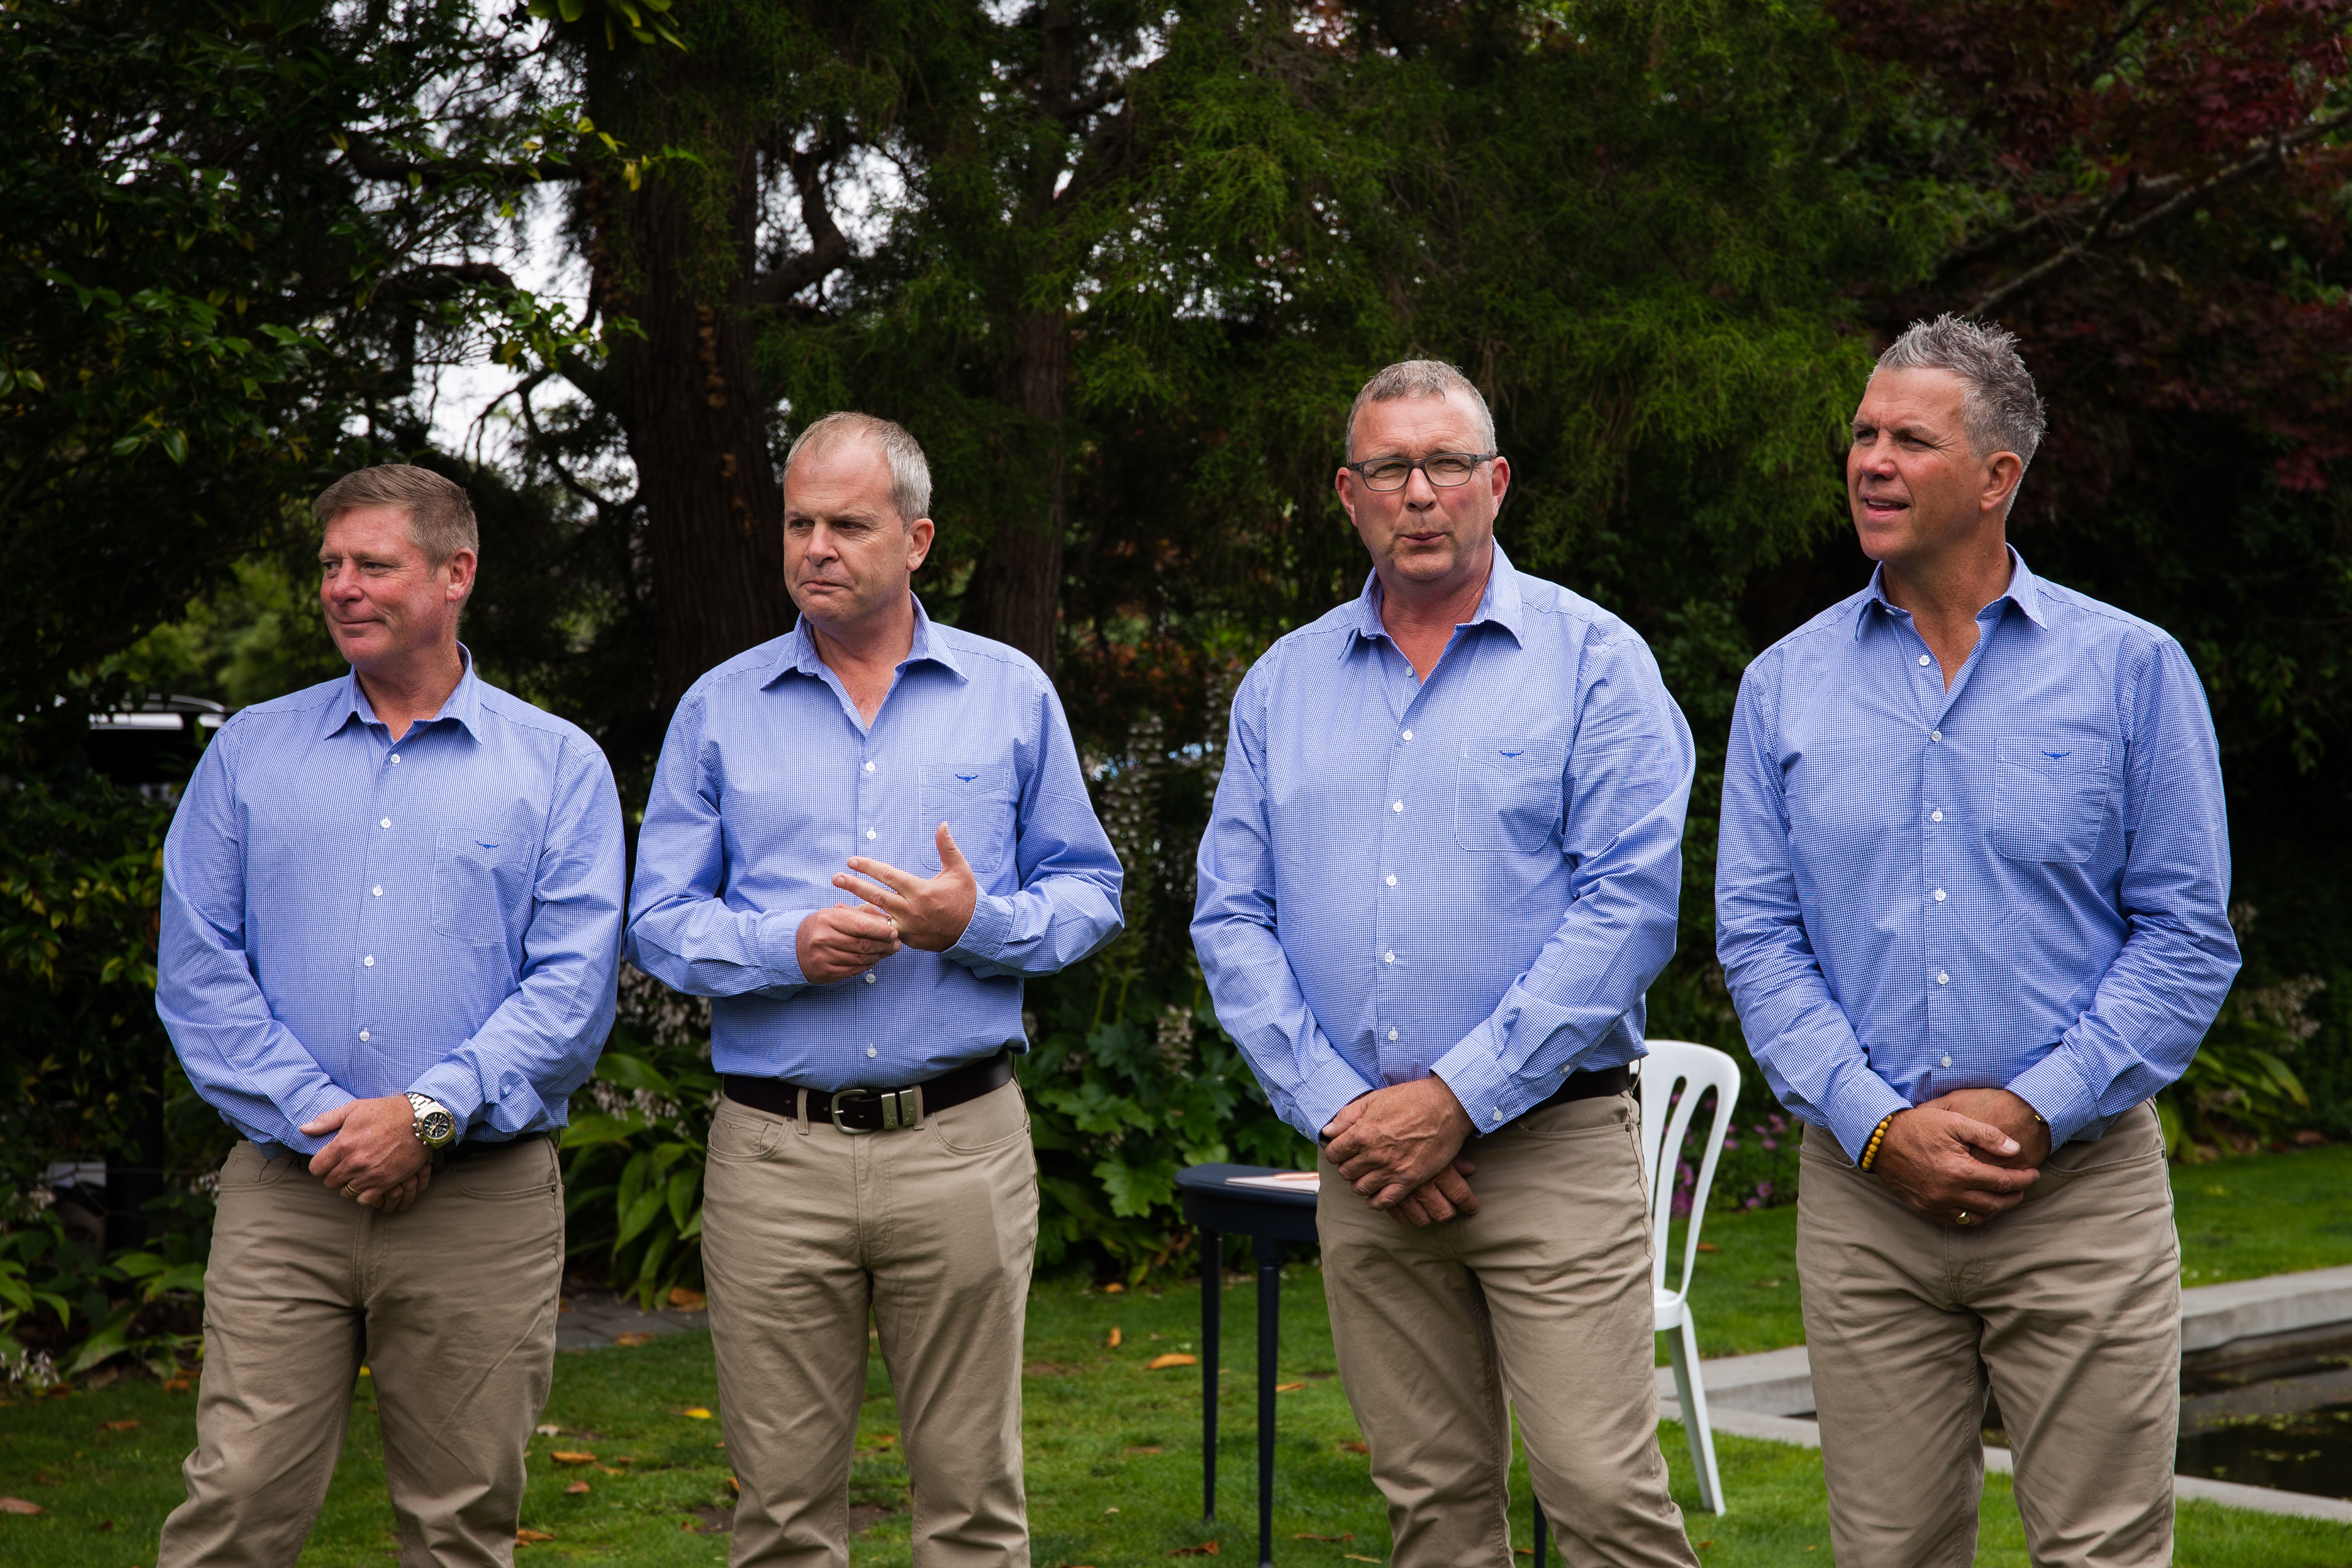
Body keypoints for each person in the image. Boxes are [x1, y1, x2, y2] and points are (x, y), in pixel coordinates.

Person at [1716, 314, 2239, 1567]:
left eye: (1911, 439)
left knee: (2103, 1552)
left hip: (2079, 1195)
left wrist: (2036, 1108)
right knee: (1887, 1552)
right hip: (1866, 1203)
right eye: (1863, 435)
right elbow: (1759, 938)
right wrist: (1875, 1125)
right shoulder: (1783, 685)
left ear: (1999, 475)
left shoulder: (2131, 671)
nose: (1871, 462)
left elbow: (2185, 936)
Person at [1193, 361, 1702, 1568]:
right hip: (1367, 1165)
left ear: (1497, 482)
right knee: (1430, 1510)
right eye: (1388, 468)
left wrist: (1456, 1100)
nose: (1419, 493)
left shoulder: (1594, 662)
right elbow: (1231, 916)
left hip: (1549, 1150)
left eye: (1447, 464)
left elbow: (1628, 909)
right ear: (1348, 493)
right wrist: (1348, 1113)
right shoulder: (1283, 685)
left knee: (1605, 1502)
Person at [627, 412, 1123, 1567]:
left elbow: (1091, 892)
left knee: (973, 1508)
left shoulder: (1008, 693)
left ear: (918, 540)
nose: (816, 548)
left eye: (848, 525)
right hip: (775, 1156)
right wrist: (783, 948)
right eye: (799, 523)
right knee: (782, 1518)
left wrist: (975, 926)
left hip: (960, 1148)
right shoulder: (719, 708)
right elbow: (656, 922)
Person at [154, 463, 627, 1566]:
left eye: (374, 563)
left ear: (457, 574)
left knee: (460, 1527)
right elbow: (199, 969)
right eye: (331, 565)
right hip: (289, 1192)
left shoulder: (557, 766)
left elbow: (570, 990)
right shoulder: (249, 753)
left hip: (481, 1207)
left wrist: (426, 1115)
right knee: (232, 1511)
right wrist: (335, 1123)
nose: (343, 587)